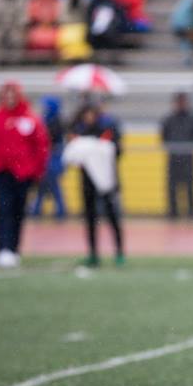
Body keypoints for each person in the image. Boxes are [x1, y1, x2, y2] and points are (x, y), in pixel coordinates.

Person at [0, 81, 49, 268]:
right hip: (1, 172)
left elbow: (41, 146)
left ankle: (14, 248)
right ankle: (3, 248)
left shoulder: (31, 119)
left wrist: (36, 170)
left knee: (18, 211)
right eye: (6, 95)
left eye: (13, 95)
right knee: (4, 209)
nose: (10, 99)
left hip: (24, 173)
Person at [66, 97, 125, 266]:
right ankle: (93, 253)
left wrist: (101, 149)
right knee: (90, 217)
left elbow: (117, 151)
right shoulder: (80, 130)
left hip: (107, 180)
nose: (89, 117)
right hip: (88, 181)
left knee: (112, 216)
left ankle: (119, 252)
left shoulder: (107, 128)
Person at [160, 92, 193, 219]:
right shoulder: (169, 119)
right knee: (172, 185)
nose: (181, 104)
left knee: (190, 185)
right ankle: (173, 212)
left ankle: (191, 211)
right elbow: (164, 136)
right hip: (173, 158)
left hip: (188, 158)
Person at [29, 96, 68, 220]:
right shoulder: (47, 120)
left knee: (52, 184)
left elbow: (48, 138)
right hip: (48, 157)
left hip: (52, 157)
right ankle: (38, 209)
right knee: (44, 186)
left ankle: (59, 210)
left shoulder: (55, 121)